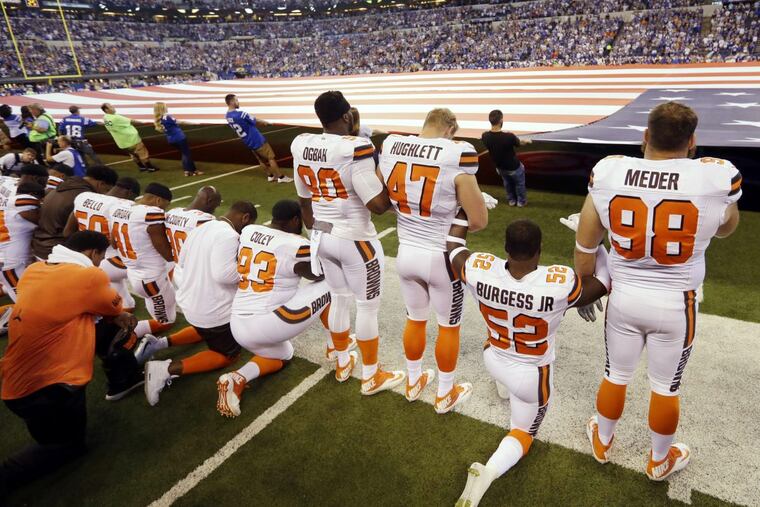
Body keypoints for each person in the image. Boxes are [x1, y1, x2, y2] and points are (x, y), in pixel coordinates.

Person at [575, 102, 742, 481]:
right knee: (666, 387)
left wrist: (585, 283)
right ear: (693, 142)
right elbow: (726, 228)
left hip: (624, 297)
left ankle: (602, 440)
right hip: (676, 304)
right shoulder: (715, 177)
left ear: (645, 137)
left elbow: (587, 242)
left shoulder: (609, 171)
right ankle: (659, 460)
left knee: (615, 373)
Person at [448, 218, 608, 506]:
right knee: (522, 432)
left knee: (497, 344)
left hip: (494, 357)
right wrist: (594, 244)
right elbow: (604, 282)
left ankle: (503, 387)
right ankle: (489, 472)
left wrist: (462, 213)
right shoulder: (559, 282)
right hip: (530, 374)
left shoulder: (480, 269)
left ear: (506, 247)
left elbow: (453, 249)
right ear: (540, 249)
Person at [0, 231, 136, 496]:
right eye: (99, 258)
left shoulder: (35, 269)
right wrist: (118, 316)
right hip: (48, 386)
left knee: (52, 436)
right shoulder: (88, 275)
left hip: (15, 382)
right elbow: (111, 307)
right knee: (68, 446)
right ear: (93, 254)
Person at [291, 90, 404, 395]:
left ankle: (342, 361)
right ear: (345, 116)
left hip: (322, 234)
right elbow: (377, 205)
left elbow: (304, 201)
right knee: (367, 308)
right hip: (355, 239)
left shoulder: (302, 143)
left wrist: (318, 230)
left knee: (339, 298)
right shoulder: (356, 147)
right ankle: (371, 375)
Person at [378, 108, 488, 413]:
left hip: (405, 251)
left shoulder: (392, 146)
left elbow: (383, 197)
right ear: (450, 128)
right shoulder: (456, 154)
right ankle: (444, 393)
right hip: (440, 256)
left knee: (415, 318)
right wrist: (465, 209)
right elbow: (479, 220)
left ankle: (413, 382)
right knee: (448, 327)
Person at [217, 200, 331, 417]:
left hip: (238, 324)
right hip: (270, 322)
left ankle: (236, 378)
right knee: (333, 283)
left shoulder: (249, 231)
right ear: (296, 220)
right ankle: (336, 346)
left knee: (284, 353)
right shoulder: (295, 244)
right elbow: (318, 273)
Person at [142, 201, 258, 407]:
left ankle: (159, 343)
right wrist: (248, 269)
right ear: (245, 218)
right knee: (226, 354)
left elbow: (181, 263)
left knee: (204, 329)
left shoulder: (201, 228)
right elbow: (224, 275)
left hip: (190, 300)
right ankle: (165, 369)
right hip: (212, 308)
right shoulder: (229, 236)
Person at [63, 176, 142, 313]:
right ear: (129, 193)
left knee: (126, 304)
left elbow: (68, 232)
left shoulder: (84, 197)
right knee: (159, 263)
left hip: (86, 258)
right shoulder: (123, 205)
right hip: (109, 260)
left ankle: (122, 305)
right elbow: (117, 242)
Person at [109, 183, 176, 337]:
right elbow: (167, 254)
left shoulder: (118, 208)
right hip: (152, 279)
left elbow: (113, 243)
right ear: (159, 201)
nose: (164, 210)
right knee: (166, 322)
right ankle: (122, 336)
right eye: (165, 206)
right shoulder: (151, 214)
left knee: (154, 301)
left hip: (134, 273)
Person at [31, 165, 119, 261]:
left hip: (39, 245)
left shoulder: (64, 186)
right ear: (101, 184)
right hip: (56, 251)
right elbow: (68, 232)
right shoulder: (84, 197)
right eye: (106, 190)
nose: (104, 194)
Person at [225, 93, 291, 183]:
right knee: (271, 157)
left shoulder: (227, 116)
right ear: (232, 102)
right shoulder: (240, 114)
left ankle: (270, 175)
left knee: (261, 160)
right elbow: (256, 121)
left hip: (247, 141)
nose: (238, 102)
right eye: (236, 100)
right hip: (256, 139)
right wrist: (267, 123)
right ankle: (281, 177)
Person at [0, 181, 45, 301]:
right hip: (11, 262)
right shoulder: (22, 201)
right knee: (25, 302)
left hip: (7, 256)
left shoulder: (7, 200)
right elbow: (43, 215)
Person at [481, 109, 531, 207]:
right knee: (519, 184)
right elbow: (519, 143)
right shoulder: (509, 136)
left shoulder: (485, 136)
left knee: (507, 183)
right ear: (501, 120)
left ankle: (511, 200)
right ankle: (521, 202)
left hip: (500, 167)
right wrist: (528, 141)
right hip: (513, 166)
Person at [101, 103, 158, 173]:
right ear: (106, 110)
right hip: (132, 139)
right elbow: (131, 121)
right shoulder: (116, 117)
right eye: (111, 107)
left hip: (122, 142)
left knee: (133, 154)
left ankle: (141, 167)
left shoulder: (105, 117)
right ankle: (150, 167)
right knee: (142, 153)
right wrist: (144, 123)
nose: (113, 107)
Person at [153, 102, 202, 177]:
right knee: (187, 154)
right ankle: (191, 171)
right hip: (179, 138)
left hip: (171, 140)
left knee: (184, 154)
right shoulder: (167, 117)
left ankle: (187, 170)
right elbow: (180, 122)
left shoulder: (158, 119)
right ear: (163, 108)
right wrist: (194, 123)